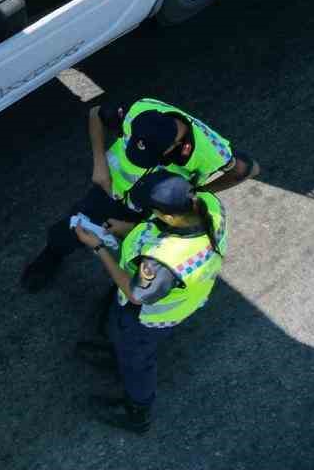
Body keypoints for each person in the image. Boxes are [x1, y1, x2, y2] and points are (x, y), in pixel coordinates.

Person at [21, 96, 257, 291]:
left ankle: (127, 292)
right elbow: (96, 113)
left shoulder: (212, 151)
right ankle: (53, 253)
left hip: (157, 209)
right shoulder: (141, 111)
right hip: (110, 190)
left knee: (141, 259)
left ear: (173, 146)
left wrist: (199, 193)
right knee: (74, 226)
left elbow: (249, 169)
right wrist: (99, 162)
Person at [73, 169, 227, 434]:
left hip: (148, 318)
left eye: (151, 209)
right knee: (123, 343)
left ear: (167, 215)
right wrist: (126, 229)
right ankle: (119, 356)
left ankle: (137, 412)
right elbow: (157, 229)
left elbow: (135, 294)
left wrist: (98, 247)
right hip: (176, 297)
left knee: (137, 362)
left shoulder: (165, 262)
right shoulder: (206, 203)